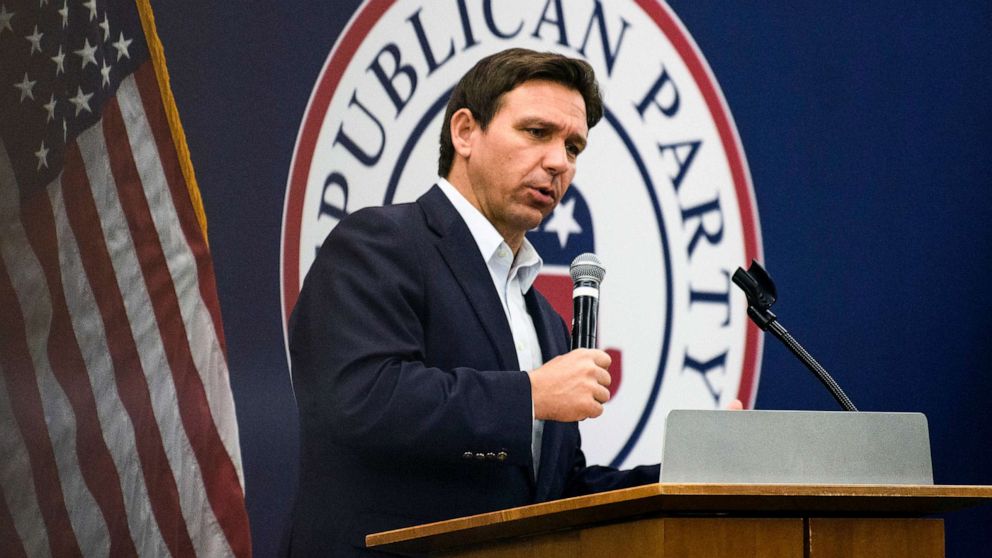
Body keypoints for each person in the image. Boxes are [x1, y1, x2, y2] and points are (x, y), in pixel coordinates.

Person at [288, 48, 659, 557]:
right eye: (537, 132)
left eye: (573, 147)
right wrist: (530, 395)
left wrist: (688, 477)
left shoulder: (546, 321)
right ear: (465, 131)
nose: (559, 162)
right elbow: (360, 402)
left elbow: (554, 490)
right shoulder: (378, 243)